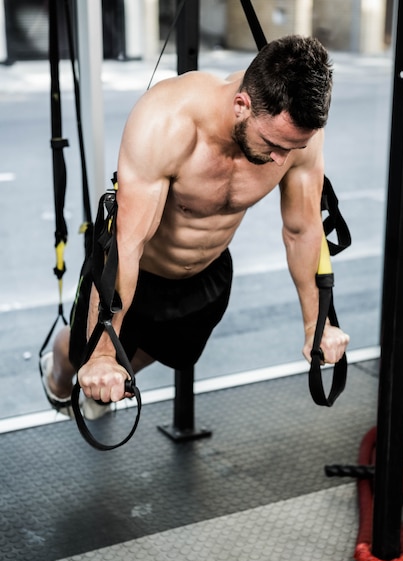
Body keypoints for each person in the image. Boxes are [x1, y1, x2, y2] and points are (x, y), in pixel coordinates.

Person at [41, 35, 350, 418]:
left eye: (293, 149)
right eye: (273, 144)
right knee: (76, 357)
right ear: (242, 105)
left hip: (207, 277)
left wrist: (317, 325)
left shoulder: (298, 134)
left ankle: (110, 380)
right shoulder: (167, 122)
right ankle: (56, 373)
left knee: (169, 355)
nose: (281, 159)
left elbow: (303, 230)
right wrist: (103, 353)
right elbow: (127, 243)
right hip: (137, 275)